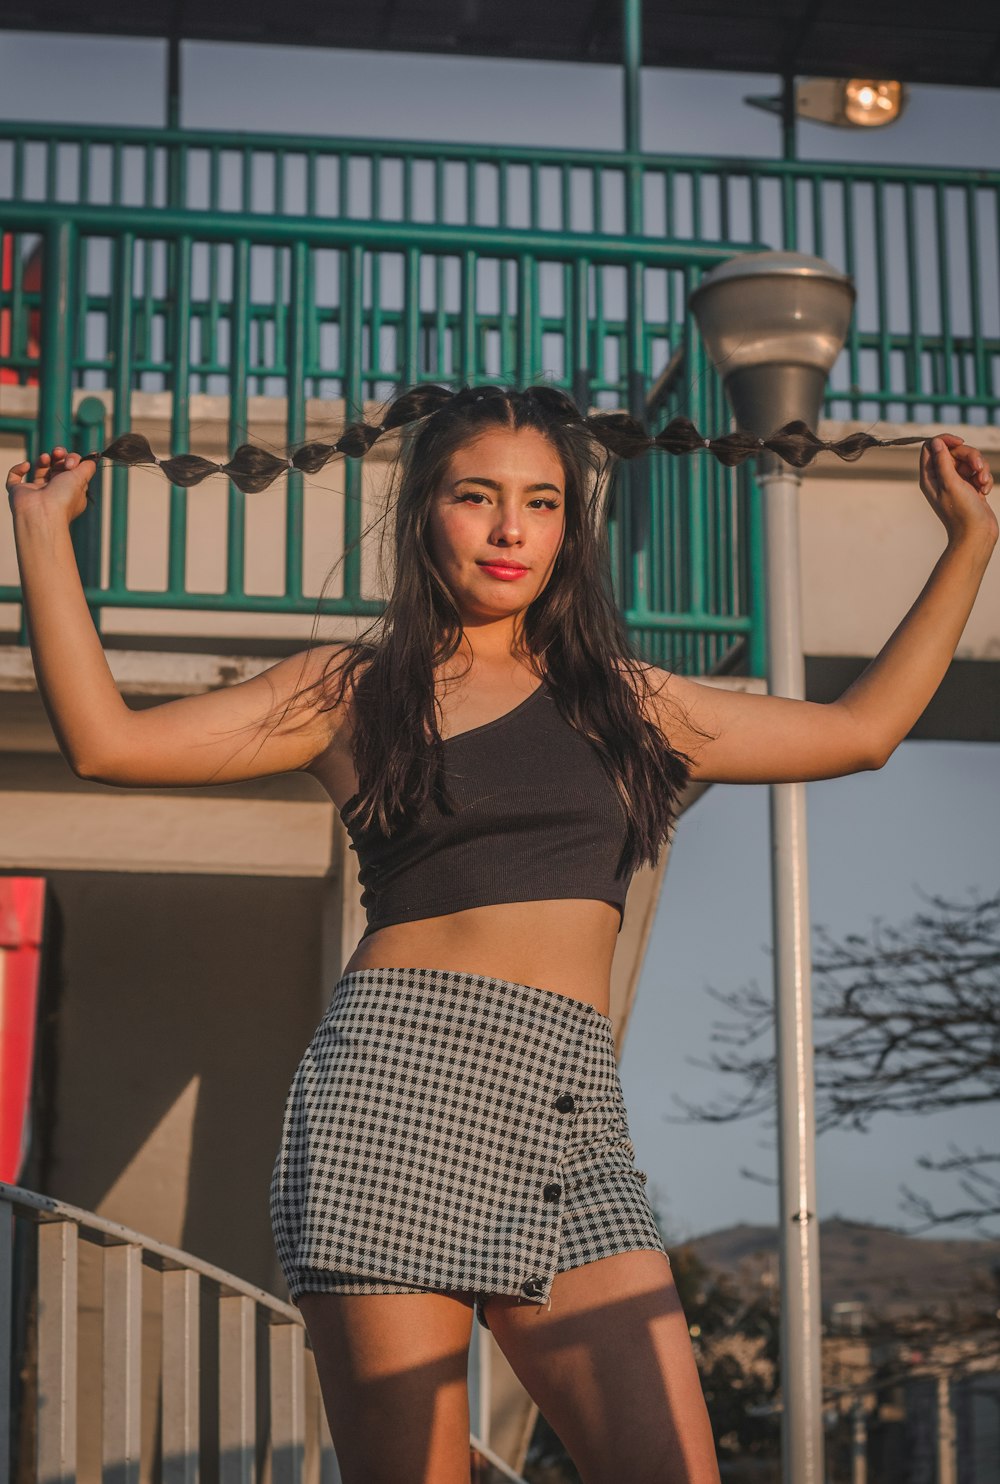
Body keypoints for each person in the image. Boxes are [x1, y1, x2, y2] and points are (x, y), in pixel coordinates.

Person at [7, 384, 996, 1484]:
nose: (512, 528)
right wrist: (46, 537)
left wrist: (969, 542)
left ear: (573, 528)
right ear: (426, 508)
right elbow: (105, 745)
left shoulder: (631, 702)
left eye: (543, 503)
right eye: (478, 497)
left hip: (573, 1119)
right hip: (394, 1101)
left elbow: (859, 733)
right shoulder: (351, 690)